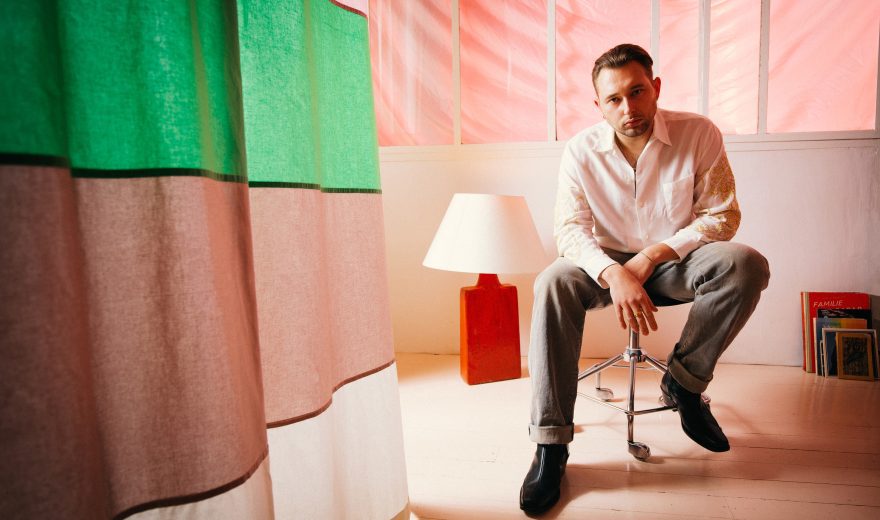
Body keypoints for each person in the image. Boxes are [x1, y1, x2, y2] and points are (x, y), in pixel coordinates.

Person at [519, 43, 770, 515]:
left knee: (746, 264)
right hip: (604, 263)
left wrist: (652, 257)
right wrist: (614, 271)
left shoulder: (699, 132)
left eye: (637, 92)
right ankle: (550, 444)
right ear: (598, 105)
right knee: (552, 282)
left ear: (655, 88)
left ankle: (684, 383)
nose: (628, 108)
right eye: (614, 99)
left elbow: (721, 215)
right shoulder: (580, 150)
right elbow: (569, 230)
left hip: (674, 260)